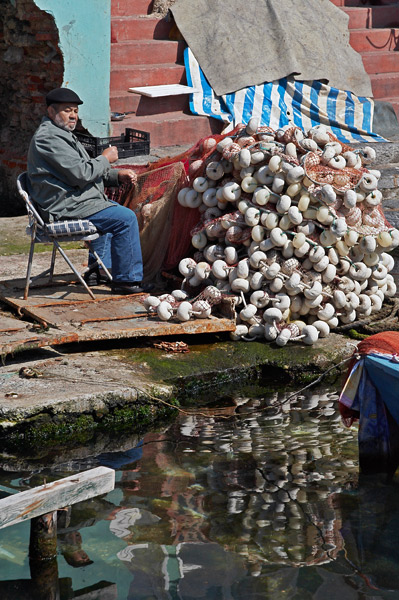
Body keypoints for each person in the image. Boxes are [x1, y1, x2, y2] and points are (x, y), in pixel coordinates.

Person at [27, 87, 147, 294]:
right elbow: (81, 173)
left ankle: (97, 271)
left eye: (75, 110)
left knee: (112, 211)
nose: (73, 115)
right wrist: (105, 159)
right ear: (51, 112)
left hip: (75, 200)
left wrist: (115, 176)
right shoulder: (48, 138)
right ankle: (127, 281)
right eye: (67, 110)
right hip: (62, 207)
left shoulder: (62, 133)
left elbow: (80, 170)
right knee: (125, 219)